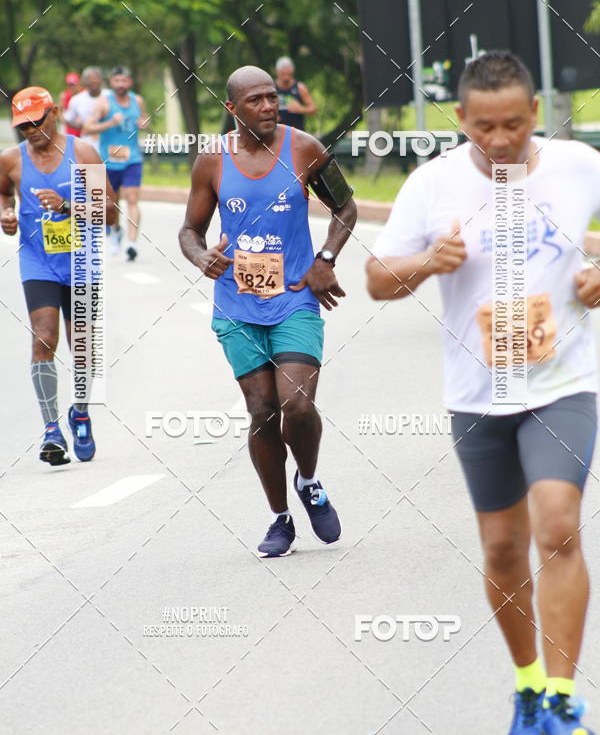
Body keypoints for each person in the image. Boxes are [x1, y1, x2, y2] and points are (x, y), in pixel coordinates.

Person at [366, 51, 597, 735]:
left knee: (557, 526)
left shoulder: (577, 165)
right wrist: (424, 262)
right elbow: (377, 279)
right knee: (501, 548)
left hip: (562, 384)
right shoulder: (433, 184)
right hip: (477, 395)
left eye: (515, 125)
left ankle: (561, 701)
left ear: (536, 114)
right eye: (485, 127)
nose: (500, 140)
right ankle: (528, 688)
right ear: (462, 117)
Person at [179, 65, 356, 558]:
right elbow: (189, 231)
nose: (268, 106)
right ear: (232, 109)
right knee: (261, 410)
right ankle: (280, 518)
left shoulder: (304, 149)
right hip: (237, 305)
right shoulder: (212, 162)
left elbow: (346, 207)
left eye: (272, 97)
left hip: (295, 298)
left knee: (296, 405)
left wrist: (325, 259)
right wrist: (202, 257)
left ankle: (309, 480)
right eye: (255, 100)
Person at [0, 86, 116, 465]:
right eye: (23, 126)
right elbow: (3, 194)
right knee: (44, 338)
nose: (31, 131)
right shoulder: (11, 160)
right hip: (39, 262)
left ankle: (79, 413)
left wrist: (68, 205)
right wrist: (6, 215)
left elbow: (111, 213)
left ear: (54, 113)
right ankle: (51, 430)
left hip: (82, 261)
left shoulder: (83, 154)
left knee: (82, 346)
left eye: (37, 121)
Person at [83, 65, 149, 261]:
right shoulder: (104, 103)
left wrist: (145, 124)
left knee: (132, 199)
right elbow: (88, 127)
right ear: (111, 82)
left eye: (124, 81)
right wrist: (110, 123)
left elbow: (145, 119)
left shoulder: (137, 101)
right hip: (109, 161)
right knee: (112, 203)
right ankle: (116, 230)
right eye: (117, 81)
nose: (121, 84)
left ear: (130, 82)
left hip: (132, 159)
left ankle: (132, 243)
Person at [63, 67, 107, 147]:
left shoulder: (109, 96)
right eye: (90, 79)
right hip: (87, 143)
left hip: (108, 143)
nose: (93, 81)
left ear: (101, 80)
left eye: (96, 78)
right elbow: (68, 119)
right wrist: (81, 126)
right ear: (85, 82)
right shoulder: (77, 99)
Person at [275, 57, 316, 131]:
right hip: (276, 133)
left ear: (292, 71)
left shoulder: (300, 87)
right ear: (277, 72)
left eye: (288, 73)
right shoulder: (271, 88)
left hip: (297, 132)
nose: (286, 77)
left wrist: (301, 109)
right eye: (283, 73)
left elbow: (313, 108)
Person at [59, 72, 82, 136]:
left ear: (78, 84)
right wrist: (63, 120)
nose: (71, 87)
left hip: (81, 128)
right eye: (69, 85)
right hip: (68, 128)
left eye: (73, 85)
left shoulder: (83, 95)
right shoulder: (64, 95)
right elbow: (59, 110)